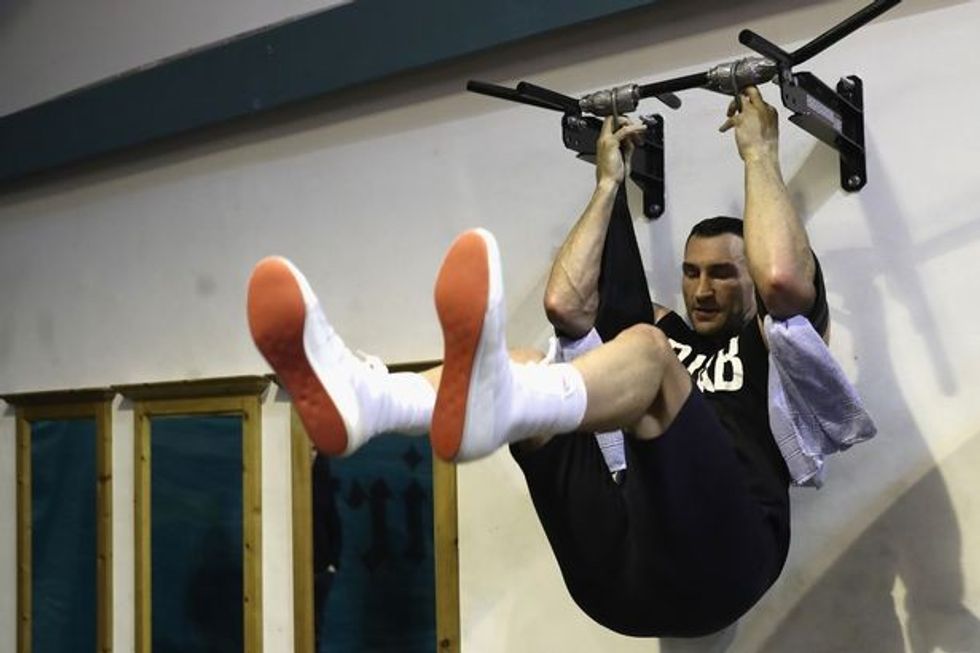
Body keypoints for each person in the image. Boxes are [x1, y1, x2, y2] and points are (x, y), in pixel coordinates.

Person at [246, 86, 828, 637]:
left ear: (746, 277)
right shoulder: (661, 325)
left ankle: (487, 405)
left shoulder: (772, 340)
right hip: (615, 582)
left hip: (729, 561)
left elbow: (780, 274)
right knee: (526, 363)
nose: (702, 289)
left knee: (644, 358)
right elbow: (566, 305)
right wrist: (606, 185)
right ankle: (374, 401)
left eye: (723, 274)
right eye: (692, 272)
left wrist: (759, 154)